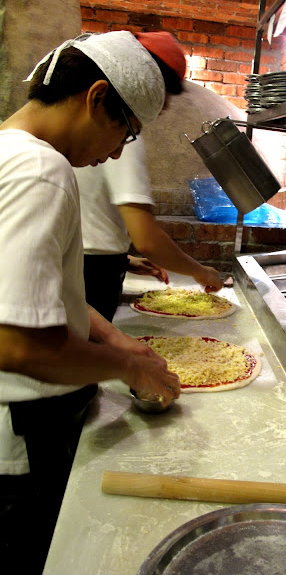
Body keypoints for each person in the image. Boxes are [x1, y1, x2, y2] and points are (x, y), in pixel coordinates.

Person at [0, 30, 181, 573]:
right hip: (22, 436)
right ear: (97, 98)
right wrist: (128, 367)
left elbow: (40, 291)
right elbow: (17, 345)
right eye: (124, 133)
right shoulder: (41, 171)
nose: (113, 154)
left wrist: (113, 336)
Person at [75, 31, 223, 322]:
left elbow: (87, 215)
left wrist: (124, 260)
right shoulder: (120, 132)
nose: (164, 106)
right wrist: (201, 271)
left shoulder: (103, 130)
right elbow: (147, 239)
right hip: (91, 275)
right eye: (163, 94)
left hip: (89, 263)